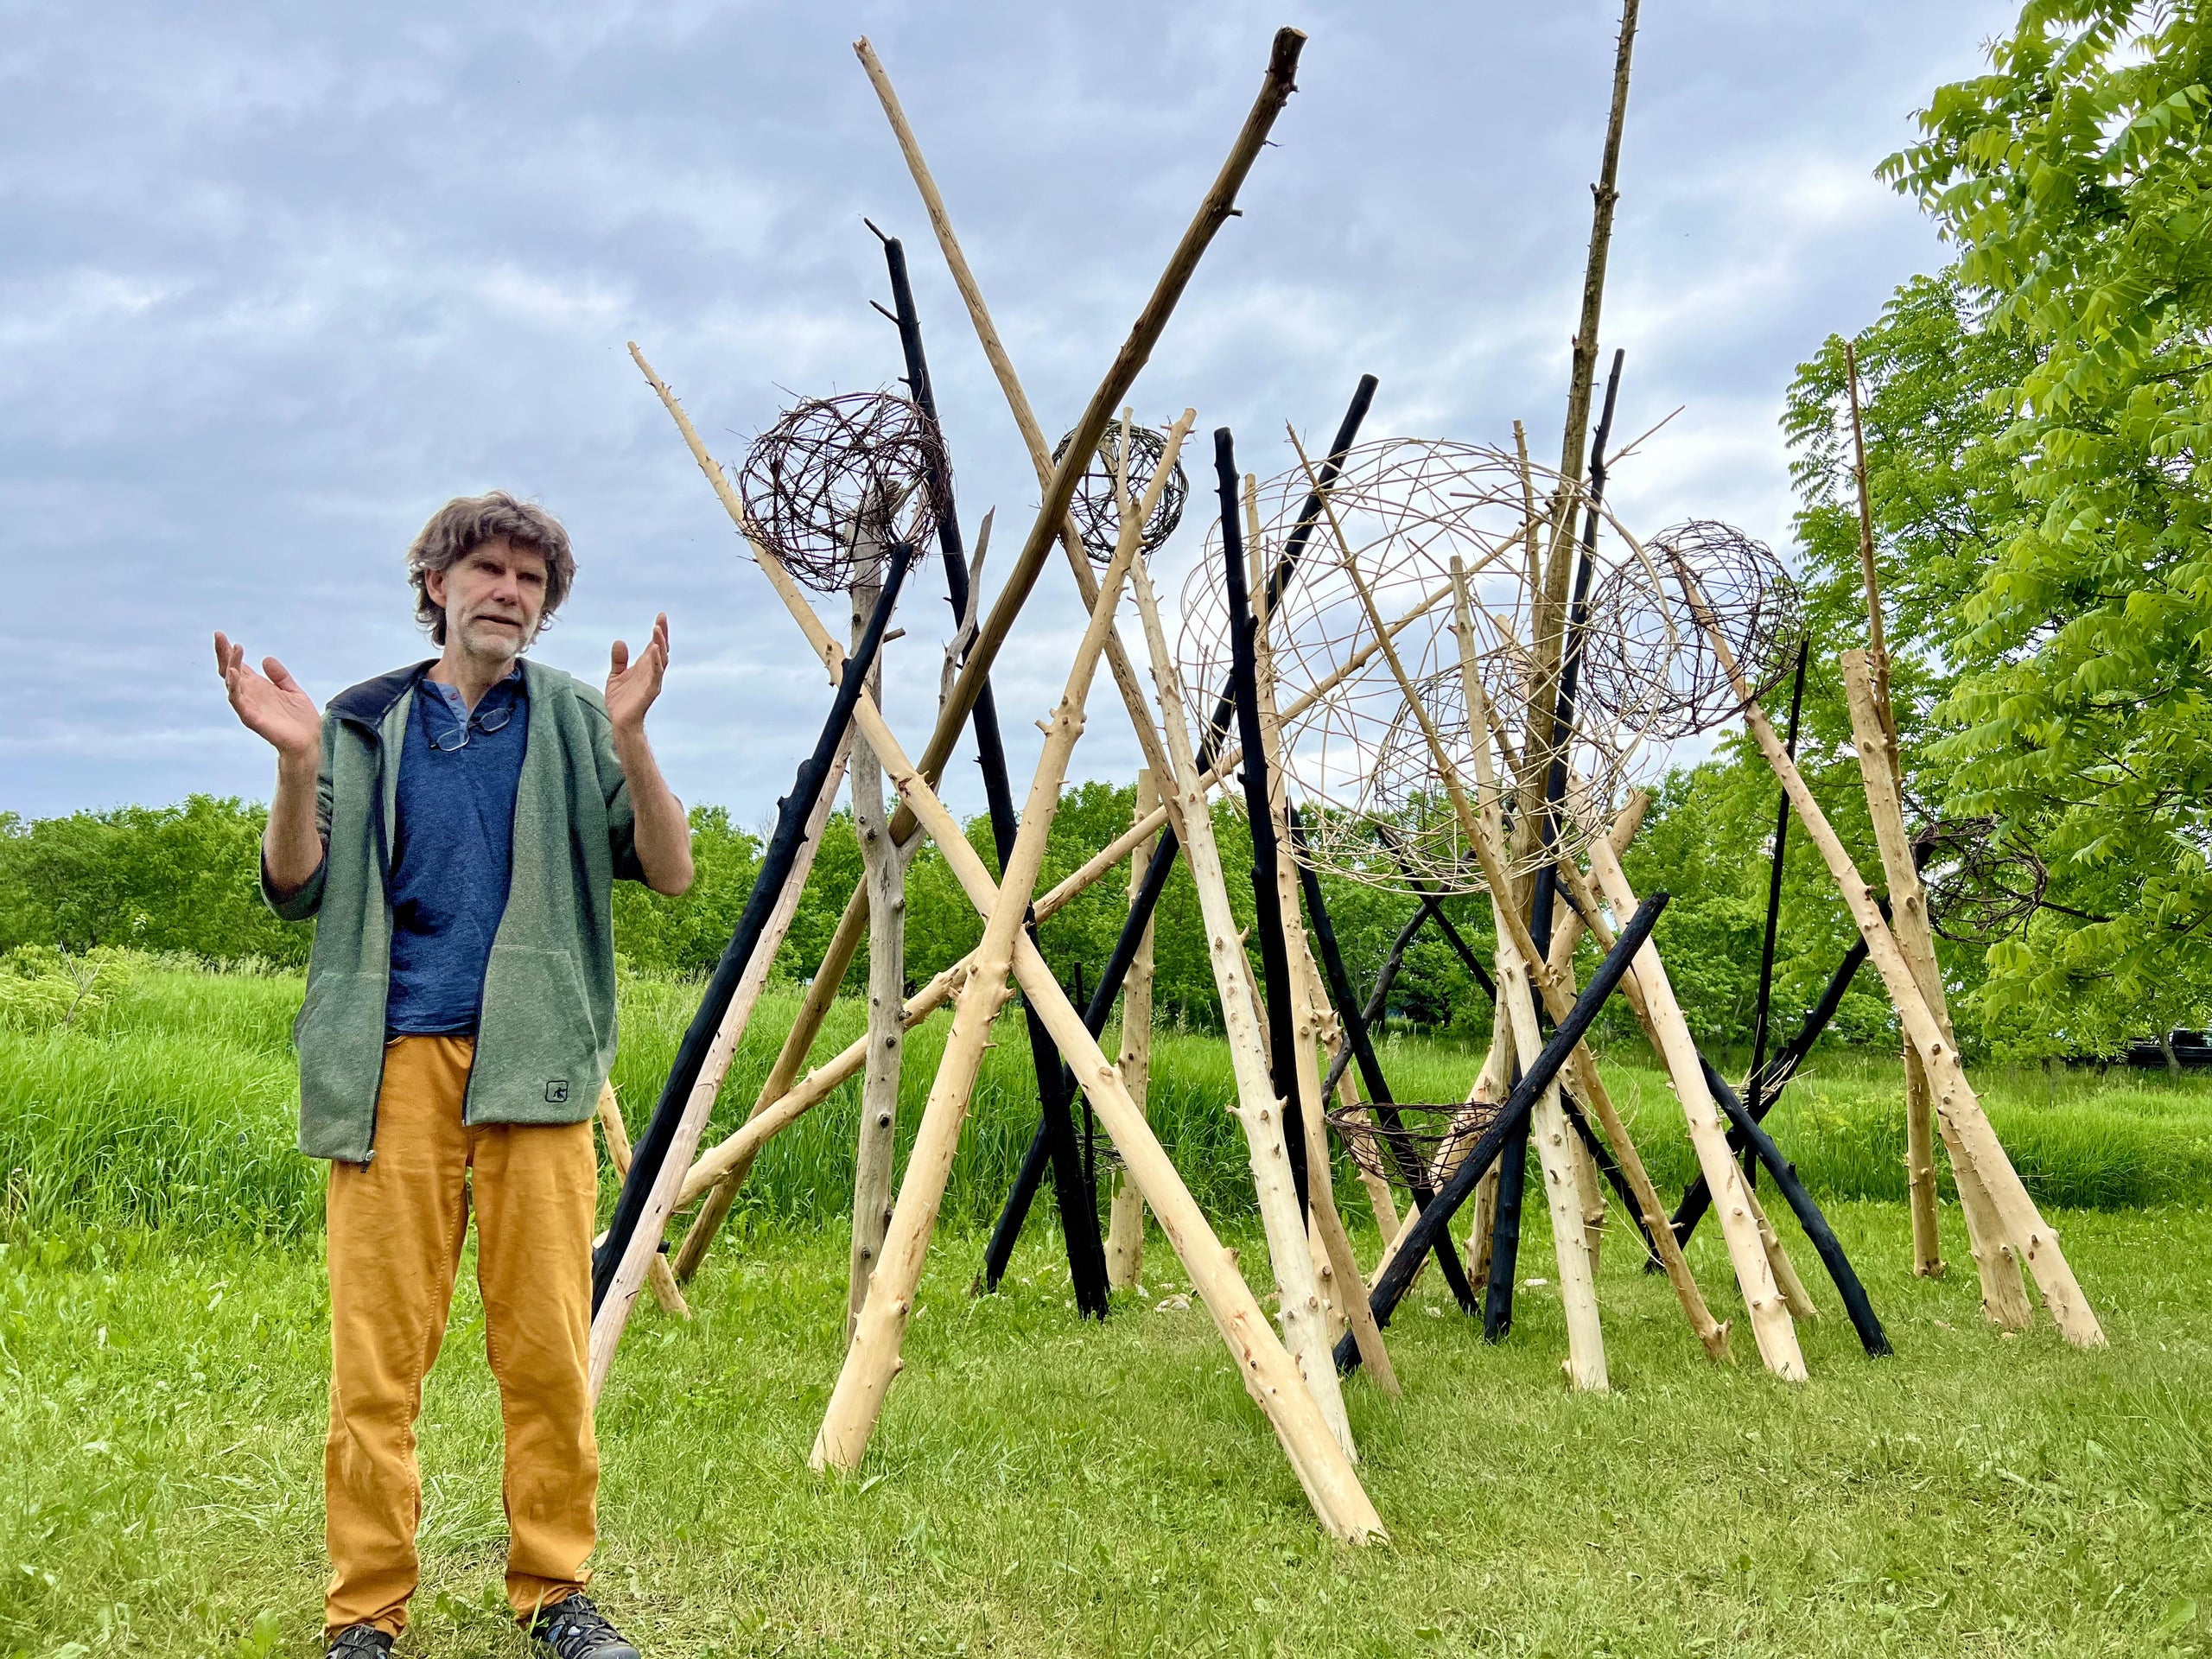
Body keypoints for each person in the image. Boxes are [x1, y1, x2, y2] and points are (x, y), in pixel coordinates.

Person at [216, 492, 693, 1659]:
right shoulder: (361, 720)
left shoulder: (582, 720)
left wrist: (635, 738)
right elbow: (296, 883)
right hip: (390, 1069)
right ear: (436, 582)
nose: (508, 593)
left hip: (537, 1071)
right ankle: (365, 1611)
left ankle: (557, 1594)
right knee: (376, 1358)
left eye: (530, 581)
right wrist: (294, 764)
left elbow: (671, 872)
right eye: (486, 569)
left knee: (542, 1349)